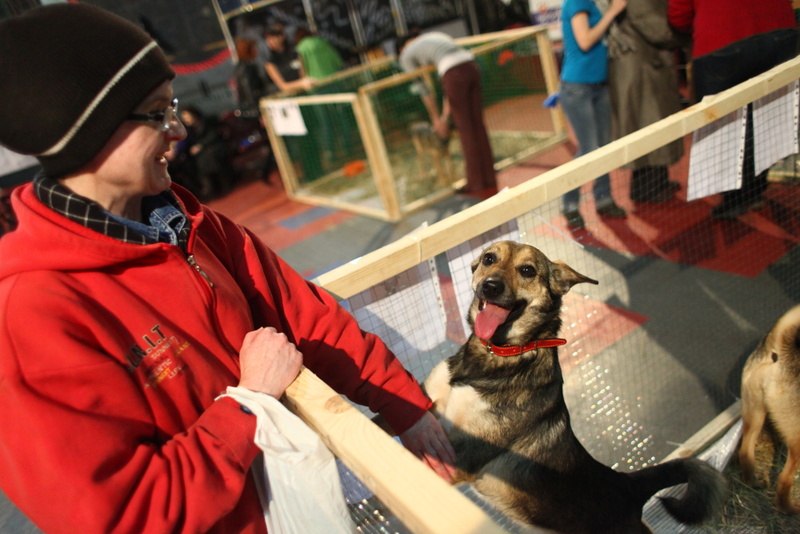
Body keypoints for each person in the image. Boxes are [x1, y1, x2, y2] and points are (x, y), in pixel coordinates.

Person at [0, 5, 455, 534]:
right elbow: (125, 515)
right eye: (155, 113)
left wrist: (407, 408)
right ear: (87, 131)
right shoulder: (31, 315)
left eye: (172, 106)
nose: (177, 130)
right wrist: (249, 404)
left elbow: (302, 314)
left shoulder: (186, 220)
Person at [668, 0, 798, 219]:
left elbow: (678, 15)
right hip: (779, 33)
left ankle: (735, 198)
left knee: (723, 126)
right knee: (767, 117)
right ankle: (755, 188)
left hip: (722, 39)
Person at [397, 31, 498, 194]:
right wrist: (444, 116)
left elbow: (425, 91)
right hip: (472, 66)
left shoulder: (405, 57)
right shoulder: (432, 38)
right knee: (478, 125)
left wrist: (438, 119)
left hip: (454, 73)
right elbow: (447, 90)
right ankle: (489, 177)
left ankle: (475, 183)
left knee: (466, 130)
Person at [605, 0, 684, 203]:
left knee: (654, 124)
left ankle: (659, 181)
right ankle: (647, 189)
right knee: (647, 125)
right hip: (640, 69)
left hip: (647, 65)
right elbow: (655, 27)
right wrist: (684, 31)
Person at [559, 0, 628, 229]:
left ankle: (604, 198)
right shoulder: (578, 2)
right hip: (577, 88)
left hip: (600, 84)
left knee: (603, 147)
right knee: (588, 149)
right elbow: (585, 41)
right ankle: (569, 204)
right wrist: (613, 12)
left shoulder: (595, 2)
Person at [262, 23, 314, 95]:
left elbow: (303, 75)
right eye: (267, 38)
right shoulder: (270, 63)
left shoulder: (295, 55)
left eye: (273, 37)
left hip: (304, 93)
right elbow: (283, 86)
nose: (270, 41)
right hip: (288, 99)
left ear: (282, 36)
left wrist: (305, 83)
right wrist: (301, 83)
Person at [233, 37, 268, 116]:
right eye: (254, 48)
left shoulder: (243, 66)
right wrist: (259, 110)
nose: (257, 50)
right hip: (256, 108)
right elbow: (250, 91)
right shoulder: (246, 68)